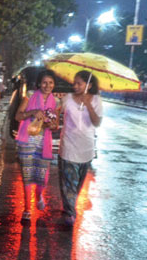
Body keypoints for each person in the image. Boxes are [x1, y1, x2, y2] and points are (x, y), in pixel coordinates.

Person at [58, 70, 103, 227]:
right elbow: (54, 113)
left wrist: (88, 104)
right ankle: (70, 213)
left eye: (79, 83)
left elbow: (97, 122)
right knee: (69, 182)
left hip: (87, 148)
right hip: (68, 145)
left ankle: (69, 207)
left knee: (77, 184)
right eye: (74, 82)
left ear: (89, 85)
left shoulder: (96, 100)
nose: (75, 86)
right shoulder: (67, 99)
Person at [15, 70, 59, 224]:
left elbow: (54, 124)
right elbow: (18, 116)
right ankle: (27, 210)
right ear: (39, 83)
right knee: (27, 177)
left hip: (43, 143)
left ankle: (39, 194)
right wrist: (32, 112)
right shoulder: (29, 97)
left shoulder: (55, 102)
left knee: (42, 177)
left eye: (51, 83)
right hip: (27, 141)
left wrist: (52, 125)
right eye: (45, 82)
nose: (48, 86)